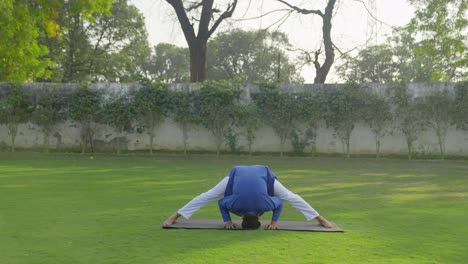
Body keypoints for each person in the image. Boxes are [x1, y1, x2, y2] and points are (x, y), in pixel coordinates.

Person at [163, 165, 333, 230]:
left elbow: (221, 202)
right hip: (258, 178)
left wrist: (226, 221)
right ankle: (322, 219)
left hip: (242, 177)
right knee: (292, 197)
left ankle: (173, 217)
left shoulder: (263, 206)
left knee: (207, 196)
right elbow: (281, 201)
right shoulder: (244, 206)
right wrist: (274, 221)